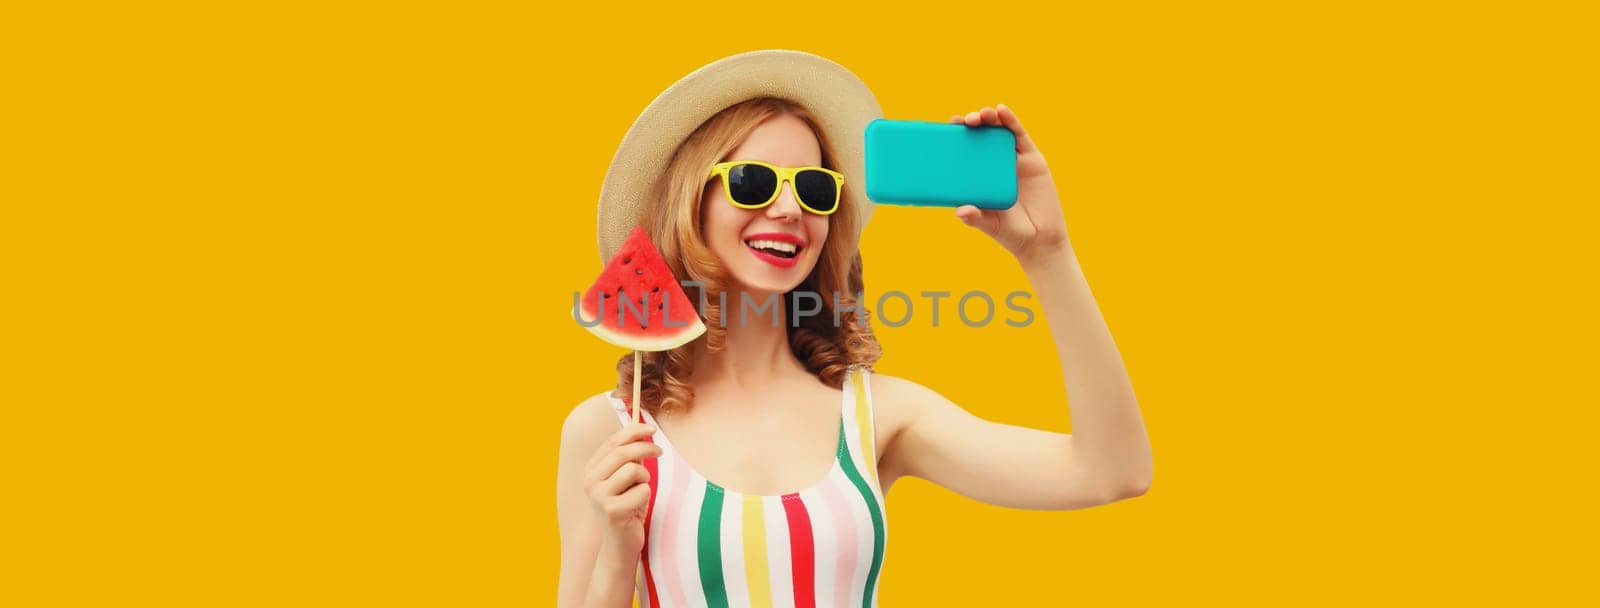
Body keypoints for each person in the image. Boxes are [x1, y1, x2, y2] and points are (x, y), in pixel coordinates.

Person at [556, 50, 1152, 608]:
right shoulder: (611, 431)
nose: (789, 209)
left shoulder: (877, 416)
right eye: (754, 182)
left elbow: (1112, 472)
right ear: (691, 201)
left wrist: (1049, 254)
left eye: (814, 189)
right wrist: (616, 552)